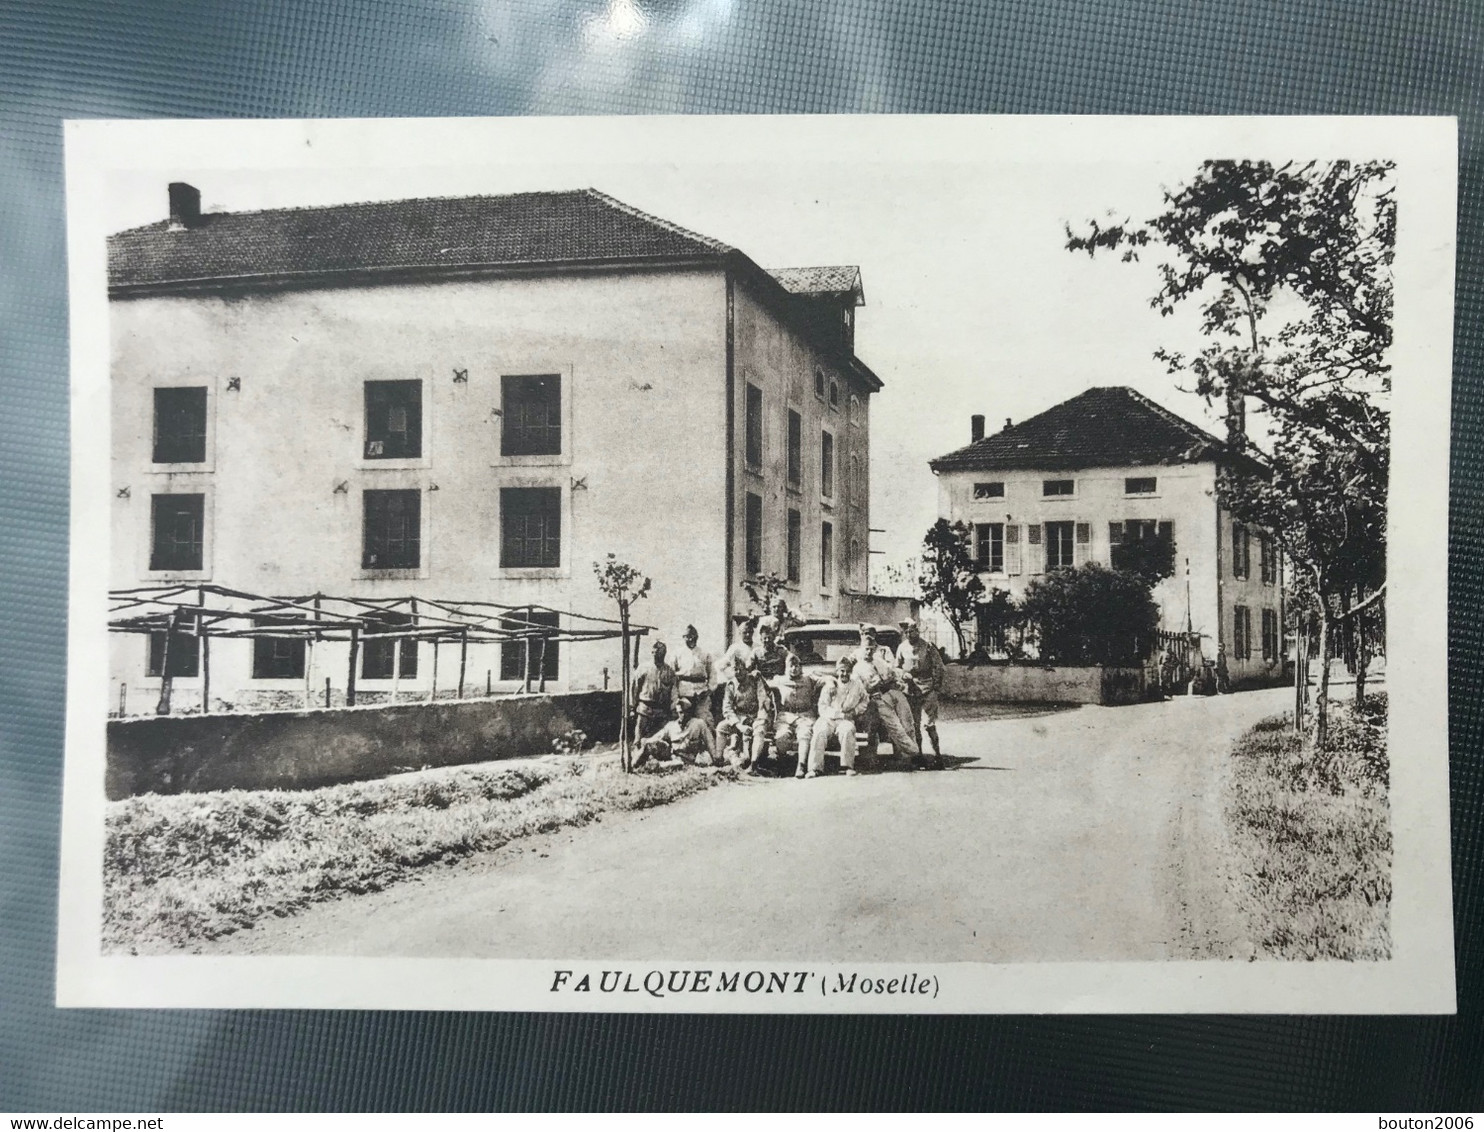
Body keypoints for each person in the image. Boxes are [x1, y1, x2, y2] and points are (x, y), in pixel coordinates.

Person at [851, 623, 921, 765]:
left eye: (870, 633)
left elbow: (892, 671)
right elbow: (850, 671)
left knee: (903, 722)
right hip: (870, 696)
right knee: (872, 725)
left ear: (875, 635)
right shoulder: (856, 655)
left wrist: (892, 678)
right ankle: (870, 756)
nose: (867, 636)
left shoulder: (883, 651)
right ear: (861, 636)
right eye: (864, 633)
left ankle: (907, 754)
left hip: (890, 691)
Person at [896, 618, 946, 768]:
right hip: (910, 690)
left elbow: (939, 667)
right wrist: (903, 674)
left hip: (927, 689)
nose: (909, 634)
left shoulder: (928, 647)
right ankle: (918, 756)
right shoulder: (902, 647)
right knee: (914, 724)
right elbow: (896, 667)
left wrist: (935, 687)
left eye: (912, 631)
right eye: (906, 632)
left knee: (928, 725)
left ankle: (937, 756)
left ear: (917, 631)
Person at [809, 655, 871, 777]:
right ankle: (815, 768)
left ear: (851, 672)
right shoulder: (830, 685)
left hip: (846, 719)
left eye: (848, 671)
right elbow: (823, 708)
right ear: (837, 671)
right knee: (819, 731)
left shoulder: (857, 685)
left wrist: (856, 711)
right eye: (842, 671)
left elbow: (865, 700)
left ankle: (847, 766)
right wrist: (841, 714)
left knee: (848, 730)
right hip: (829, 718)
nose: (844, 674)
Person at [767, 651, 820, 778]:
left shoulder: (809, 679)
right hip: (786, 715)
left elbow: (824, 680)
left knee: (805, 735)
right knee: (782, 735)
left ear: (800, 667)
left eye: (796, 666)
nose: (794, 668)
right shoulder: (779, 680)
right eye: (791, 665)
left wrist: (830, 682)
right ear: (786, 667)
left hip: (805, 715)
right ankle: (782, 762)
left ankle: (801, 765)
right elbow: (765, 684)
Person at [634, 694, 722, 768]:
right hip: (673, 756)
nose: (682, 715)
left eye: (685, 712)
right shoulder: (671, 726)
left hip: (688, 759)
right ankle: (634, 765)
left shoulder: (698, 724)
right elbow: (656, 737)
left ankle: (657, 766)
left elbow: (709, 741)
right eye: (680, 712)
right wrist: (645, 741)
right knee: (648, 746)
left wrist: (715, 758)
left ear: (689, 712)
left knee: (676, 764)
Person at [717, 656, 771, 769]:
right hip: (739, 718)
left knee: (759, 730)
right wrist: (738, 725)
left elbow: (763, 700)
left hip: (756, 716)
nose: (739, 672)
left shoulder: (755, 680)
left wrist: (760, 719)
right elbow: (727, 708)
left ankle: (753, 763)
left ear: (746, 669)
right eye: (735, 669)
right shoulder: (731, 685)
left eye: (741, 669)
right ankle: (718, 760)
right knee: (721, 727)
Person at [630, 639, 677, 747]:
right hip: (645, 707)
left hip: (661, 710)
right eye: (654, 652)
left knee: (661, 736)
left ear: (664, 654)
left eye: (659, 653)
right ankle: (637, 754)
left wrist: (673, 708)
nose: (656, 655)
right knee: (639, 735)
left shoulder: (669, 671)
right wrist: (632, 707)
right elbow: (634, 688)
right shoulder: (643, 668)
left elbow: (673, 691)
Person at [671, 624, 716, 726]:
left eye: (693, 636)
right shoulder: (677, 654)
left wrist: (709, 690)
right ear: (683, 638)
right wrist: (676, 696)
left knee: (705, 721)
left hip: (701, 693)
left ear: (697, 637)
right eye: (687, 636)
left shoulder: (705, 654)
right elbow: (672, 678)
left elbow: (712, 674)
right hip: (684, 693)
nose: (690, 638)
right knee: (683, 722)